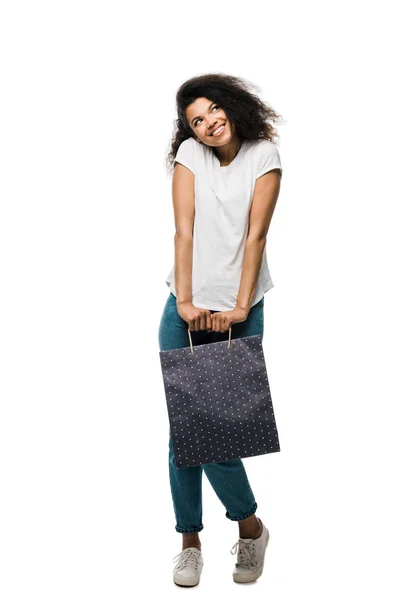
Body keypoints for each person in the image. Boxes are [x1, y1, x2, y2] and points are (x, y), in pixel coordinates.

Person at [158, 73, 283, 586]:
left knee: (217, 426)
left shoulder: (263, 156)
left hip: (239, 309)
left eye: (211, 111)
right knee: (185, 429)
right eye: (195, 119)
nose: (207, 124)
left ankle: (249, 527)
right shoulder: (190, 154)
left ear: (230, 106)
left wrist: (236, 306)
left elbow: (256, 236)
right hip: (183, 309)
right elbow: (183, 229)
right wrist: (185, 301)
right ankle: (191, 540)